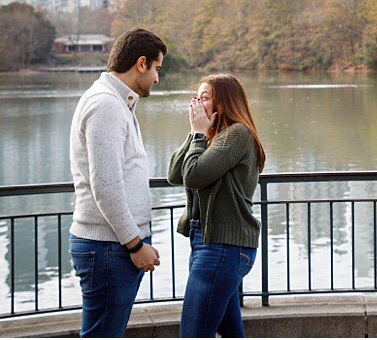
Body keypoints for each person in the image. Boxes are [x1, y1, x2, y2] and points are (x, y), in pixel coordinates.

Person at [68, 28, 166, 337]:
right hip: (109, 248)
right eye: (157, 68)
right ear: (141, 64)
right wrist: (135, 244)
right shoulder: (106, 105)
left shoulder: (116, 101)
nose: (157, 78)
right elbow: (106, 186)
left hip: (112, 247)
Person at [167, 74, 265, 338]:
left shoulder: (237, 134)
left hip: (223, 248)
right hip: (208, 243)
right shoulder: (213, 137)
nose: (197, 103)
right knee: (231, 331)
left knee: (194, 333)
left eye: (205, 97)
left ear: (224, 102)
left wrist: (199, 134)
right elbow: (175, 174)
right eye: (196, 97)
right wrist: (194, 133)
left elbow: (195, 176)